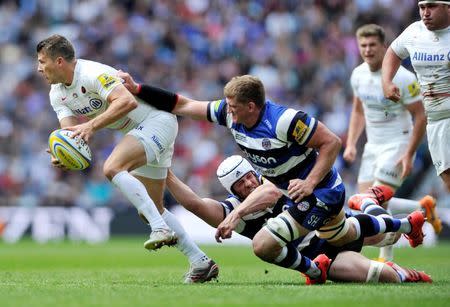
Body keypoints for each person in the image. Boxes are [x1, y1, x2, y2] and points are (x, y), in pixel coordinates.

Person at [119, 71, 426, 284]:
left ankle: (316, 270)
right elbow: (183, 105)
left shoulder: (284, 121)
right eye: (238, 185)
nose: (229, 113)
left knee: (265, 244)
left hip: (318, 193)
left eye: (235, 108)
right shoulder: (230, 116)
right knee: (346, 234)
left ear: (252, 106)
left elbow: (331, 142)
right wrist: (139, 89)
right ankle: (400, 225)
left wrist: (308, 183)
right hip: (307, 211)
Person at [36, 34, 218, 283]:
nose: (39, 68)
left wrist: (90, 127)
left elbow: (127, 101)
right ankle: (201, 262)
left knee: (112, 167)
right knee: (153, 209)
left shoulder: (92, 73)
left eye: (42, 62)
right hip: (143, 131)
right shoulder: (56, 94)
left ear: (59, 61)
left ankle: (160, 228)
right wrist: (63, 153)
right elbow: (70, 134)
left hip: (157, 120)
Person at [166, 155, 432, 284]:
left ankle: (368, 203)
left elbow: (268, 193)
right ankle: (408, 273)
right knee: (380, 276)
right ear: (231, 190)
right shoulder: (229, 210)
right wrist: (164, 172)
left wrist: (237, 214)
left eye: (248, 176)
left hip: (334, 228)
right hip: (324, 257)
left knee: (391, 234)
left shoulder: (270, 181)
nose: (247, 183)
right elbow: (194, 203)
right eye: (239, 184)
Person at [343, 23, 442, 261]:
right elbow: (358, 111)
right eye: (363, 45)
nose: (367, 50)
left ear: (384, 47)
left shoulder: (404, 78)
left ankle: (385, 260)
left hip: (397, 143)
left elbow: (420, 116)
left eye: (372, 45)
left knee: (378, 204)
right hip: (372, 146)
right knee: (364, 203)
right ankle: (421, 207)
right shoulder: (358, 74)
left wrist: (409, 154)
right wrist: (351, 143)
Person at [382, 0, 450, 192]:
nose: (425, 13)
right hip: (436, 120)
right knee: (448, 180)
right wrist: (386, 81)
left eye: (432, 7)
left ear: (447, 7)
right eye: (422, 7)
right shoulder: (414, 32)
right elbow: (393, 52)